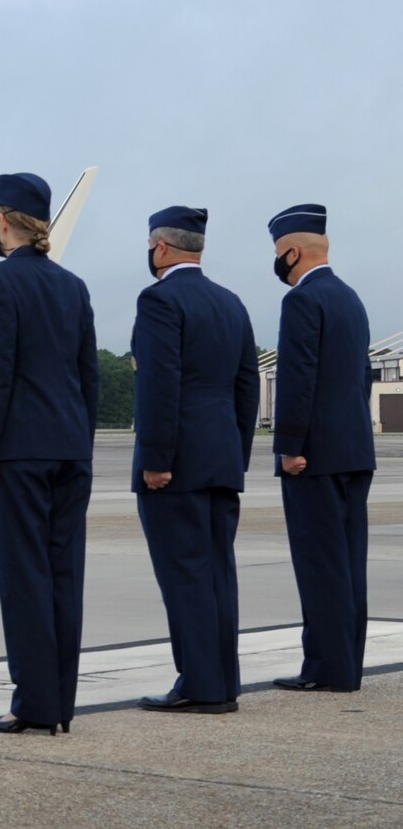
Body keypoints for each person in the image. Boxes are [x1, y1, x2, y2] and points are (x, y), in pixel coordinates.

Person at [0, 172, 99, 735]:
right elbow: (88, 376)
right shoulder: (74, 286)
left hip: (20, 452)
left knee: (23, 577)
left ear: (2, 220)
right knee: (63, 574)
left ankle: (33, 701)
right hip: (70, 448)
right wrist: (82, 443)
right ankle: (60, 703)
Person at [132, 207, 259, 714]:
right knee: (217, 573)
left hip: (178, 462)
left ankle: (201, 685)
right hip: (221, 458)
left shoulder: (160, 300)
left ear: (160, 247)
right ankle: (223, 681)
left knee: (184, 574)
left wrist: (158, 459)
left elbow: (159, 384)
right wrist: (236, 452)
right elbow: (247, 386)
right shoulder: (231, 303)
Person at [267, 204, 375, 693]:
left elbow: (296, 380)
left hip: (315, 456)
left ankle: (326, 670)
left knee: (320, 566)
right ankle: (346, 663)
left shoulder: (302, 301)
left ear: (293, 250)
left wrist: (289, 446)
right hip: (354, 451)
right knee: (349, 563)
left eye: (277, 253)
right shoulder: (350, 298)